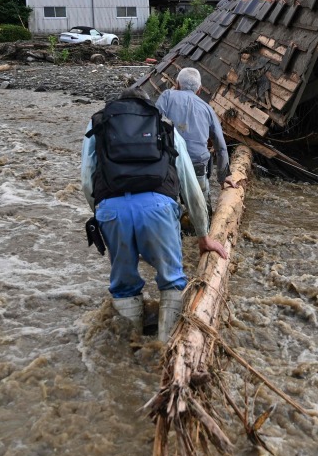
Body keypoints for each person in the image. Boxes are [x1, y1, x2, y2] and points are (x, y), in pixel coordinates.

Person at [81, 87, 227, 344]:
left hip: (111, 209)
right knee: (171, 280)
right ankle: (165, 351)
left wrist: (103, 217)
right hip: (159, 208)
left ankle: (127, 355)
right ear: (148, 105)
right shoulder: (164, 125)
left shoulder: (99, 125)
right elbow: (190, 186)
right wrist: (204, 235)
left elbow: (86, 180)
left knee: (124, 285)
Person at [155, 68, 238, 212]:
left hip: (169, 164)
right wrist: (224, 175)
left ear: (177, 84)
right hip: (198, 165)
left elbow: (153, 122)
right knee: (202, 210)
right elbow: (220, 145)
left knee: (168, 208)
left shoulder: (167, 96)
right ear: (199, 89)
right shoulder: (207, 109)